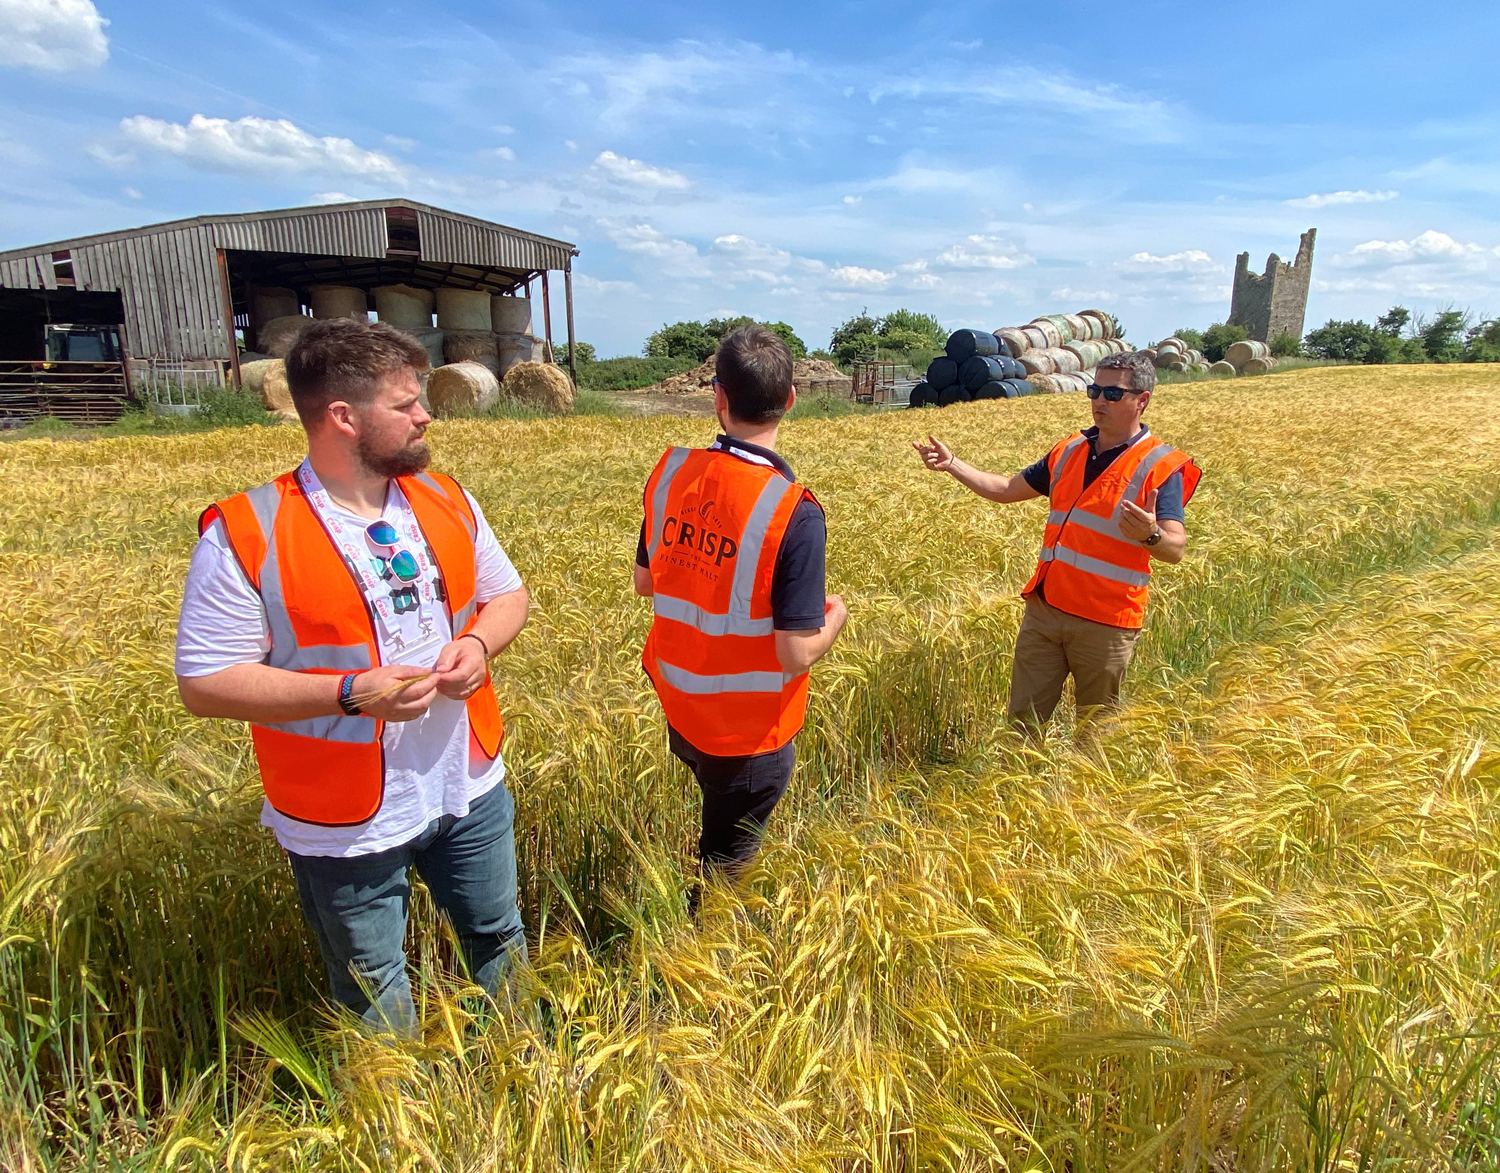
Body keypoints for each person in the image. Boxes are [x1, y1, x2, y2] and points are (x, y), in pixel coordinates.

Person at [175, 317, 530, 1032]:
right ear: (343, 416)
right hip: (343, 819)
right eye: (405, 404)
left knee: (501, 943)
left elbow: (508, 595)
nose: (426, 414)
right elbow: (204, 681)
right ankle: (395, 1134)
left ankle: (525, 1082)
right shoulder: (248, 530)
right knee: (374, 993)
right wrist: (348, 694)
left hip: (468, 781)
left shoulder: (445, 498)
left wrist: (479, 646)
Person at [634, 325, 849, 909]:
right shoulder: (792, 510)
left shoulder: (670, 474)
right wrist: (837, 618)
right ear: (792, 399)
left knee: (715, 832)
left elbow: (645, 582)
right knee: (725, 870)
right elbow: (795, 651)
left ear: (718, 397)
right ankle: (696, 960)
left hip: (681, 705)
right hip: (750, 732)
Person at [913, 349, 1199, 729]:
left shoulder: (1161, 466)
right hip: (1046, 613)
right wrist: (953, 465)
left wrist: (1151, 535)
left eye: (1112, 394)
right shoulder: (1069, 451)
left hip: (1105, 624)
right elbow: (1005, 489)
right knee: (1021, 728)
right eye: (1095, 390)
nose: (1100, 400)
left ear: (1141, 401)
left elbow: (1175, 547)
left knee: (1095, 734)